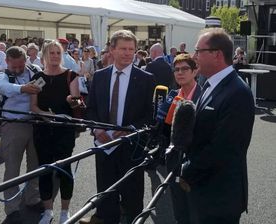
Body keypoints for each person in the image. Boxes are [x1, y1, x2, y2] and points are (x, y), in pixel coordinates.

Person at [80, 30, 155, 224]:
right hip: (104, 146)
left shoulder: (146, 79)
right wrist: (97, 130)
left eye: (131, 49)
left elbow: (149, 115)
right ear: (112, 50)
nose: (128, 53)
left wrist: (130, 129)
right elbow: (91, 110)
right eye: (123, 48)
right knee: (106, 194)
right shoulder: (100, 77)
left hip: (131, 147)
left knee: (132, 196)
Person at [181, 28, 255, 224]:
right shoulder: (208, 83)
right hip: (203, 189)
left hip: (220, 196)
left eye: (198, 51)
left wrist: (186, 170)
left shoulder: (238, 92)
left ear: (217, 55)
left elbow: (223, 149)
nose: (193, 55)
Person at [30, 40, 80, 224]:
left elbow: (77, 102)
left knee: (64, 169)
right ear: (44, 55)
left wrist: (72, 101)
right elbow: (33, 106)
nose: (55, 56)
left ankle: (65, 211)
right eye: (51, 53)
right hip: (42, 130)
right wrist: (45, 115)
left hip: (64, 131)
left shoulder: (71, 75)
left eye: (58, 53)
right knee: (45, 170)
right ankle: (48, 211)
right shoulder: (36, 77)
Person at [0, 46, 42, 224]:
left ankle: (32, 198)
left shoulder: (35, 72)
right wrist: (23, 88)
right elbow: (1, 87)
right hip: (13, 125)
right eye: (14, 66)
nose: (17, 69)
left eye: (21, 66)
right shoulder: (1, 75)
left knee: (35, 165)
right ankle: (12, 208)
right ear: (7, 61)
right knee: (12, 169)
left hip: (35, 124)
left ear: (25, 61)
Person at [161, 53, 201, 224]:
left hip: (195, 164)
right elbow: (163, 127)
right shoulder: (172, 96)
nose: (180, 73)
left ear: (195, 71)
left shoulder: (203, 96)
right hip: (173, 162)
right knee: (179, 207)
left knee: (195, 209)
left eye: (185, 69)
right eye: (176, 69)